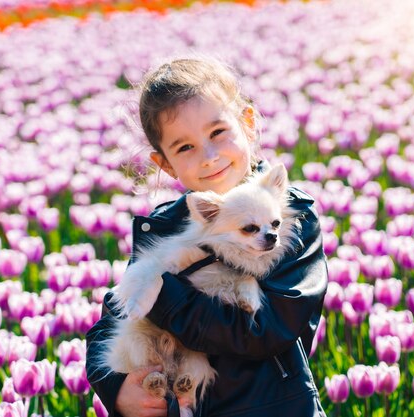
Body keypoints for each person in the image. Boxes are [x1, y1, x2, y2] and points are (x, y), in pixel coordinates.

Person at [86, 57, 328, 417]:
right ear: (165, 163)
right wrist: (114, 388)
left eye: (217, 133)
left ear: (247, 124)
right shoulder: (165, 227)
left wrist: (165, 296)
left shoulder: (289, 217)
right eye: (185, 148)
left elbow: (266, 330)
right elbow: (116, 316)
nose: (209, 157)